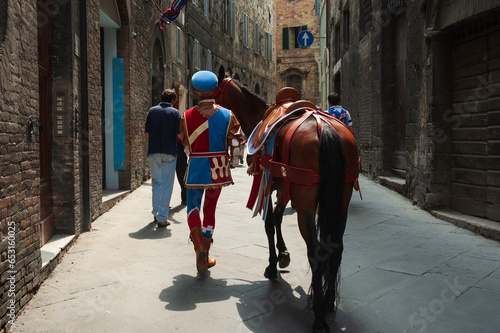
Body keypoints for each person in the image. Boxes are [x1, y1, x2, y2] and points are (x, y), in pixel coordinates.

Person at [179, 70, 242, 273]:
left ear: (196, 91)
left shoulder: (187, 116)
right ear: (215, 89)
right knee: (210, 209)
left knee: (193, 208)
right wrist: (232, 160)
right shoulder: (228, 115)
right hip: (218, 168)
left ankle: (198, 249)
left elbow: (185, 143)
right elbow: (236, 142)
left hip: (196, 167)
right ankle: (205, 250)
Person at [145, 89, 181, 228]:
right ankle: (162, 218)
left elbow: (147, 133)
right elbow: (179, 135)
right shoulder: (175, 113)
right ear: (172, 100)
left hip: (154, 151)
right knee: (167, 185)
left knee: (156, 182)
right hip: (169, 152)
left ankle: (155, 212)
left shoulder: (152, 111)